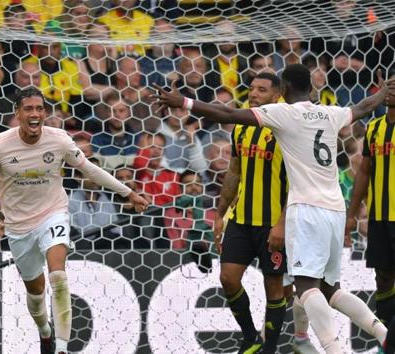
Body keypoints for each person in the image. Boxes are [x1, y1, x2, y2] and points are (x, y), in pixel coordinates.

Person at [154, 64, 395, 354]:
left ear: (285, 90)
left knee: (306, 288)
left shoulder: (284, 114)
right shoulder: (331, 113)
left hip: (306, 210)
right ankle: (384, 334)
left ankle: (334, 350)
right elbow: (363, 106)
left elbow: (228, 114)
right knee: (331, 288)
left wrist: (185, 102)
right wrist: (383, 92)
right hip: (335, 209)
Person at [0, 87, 148, 354]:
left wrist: (128, 192)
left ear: (45, 113)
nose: (35, 114)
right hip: (18, 226)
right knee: (36, 294)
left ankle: (61, 348)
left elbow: (90, 169)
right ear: (18, 113)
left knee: (58, 275)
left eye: (40, 109)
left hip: (53, 213)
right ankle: (45, 332)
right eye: (29, 109)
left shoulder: (59, 140)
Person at [212, 72, 318, 354]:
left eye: (261, 89)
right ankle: (250, 338)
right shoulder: (241, 127)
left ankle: (269, 348)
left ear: (277, 94)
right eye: (251, 88)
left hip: (275, 223)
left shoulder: (286, 130)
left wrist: (282, 224)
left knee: (275, 288)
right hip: (241, 220)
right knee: (228, 278)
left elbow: (298, 182)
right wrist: (219, 213)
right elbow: (234, 172)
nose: (254, 94)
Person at [346, 69, 395, 349]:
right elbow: (364, 172)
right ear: (379, 87)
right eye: (389, 84)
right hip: (379, 216)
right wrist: (351, 214)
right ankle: (385, 340)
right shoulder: (375, 128)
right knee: (384, 276)